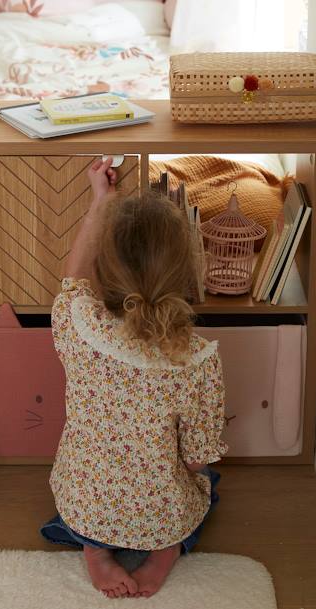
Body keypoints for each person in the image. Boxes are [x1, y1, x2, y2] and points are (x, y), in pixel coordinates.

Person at [41, 157, 227, 599]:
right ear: (188, 271)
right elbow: (197, 458)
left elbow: (73, 280)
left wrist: (99, 200)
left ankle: (95, 552)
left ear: (109, 267)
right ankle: (163, 553)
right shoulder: (198, 361)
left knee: (89, 498)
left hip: (86, 505)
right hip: (161, 513)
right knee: (209, 483)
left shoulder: (77, 324)